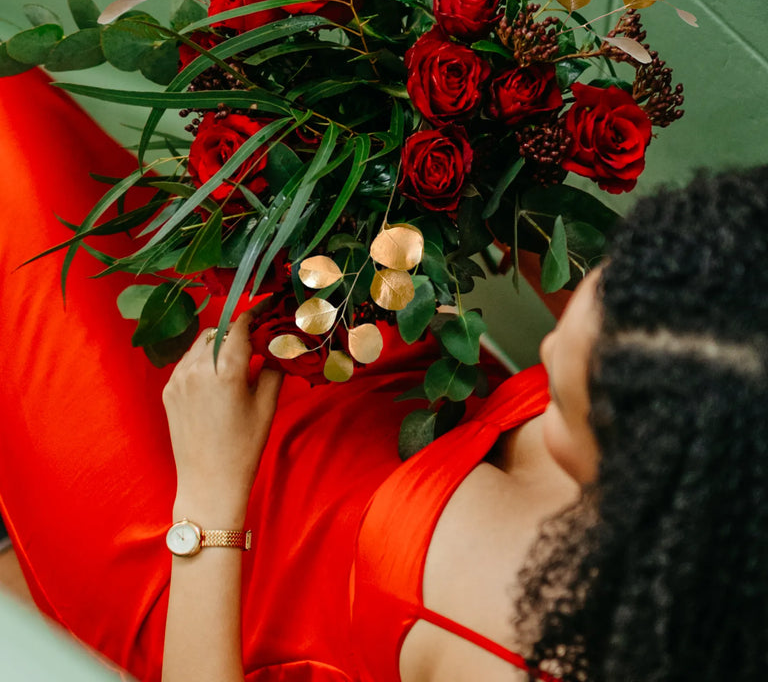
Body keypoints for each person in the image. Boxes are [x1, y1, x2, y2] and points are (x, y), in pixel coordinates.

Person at [0, 68, 766, 682]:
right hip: (354, 382)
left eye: (561, 400)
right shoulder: (717, 370)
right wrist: (482, 149)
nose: (544, 352)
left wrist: (208, 489)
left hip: (210, 560)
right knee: (29, 117)